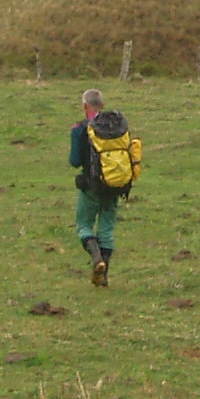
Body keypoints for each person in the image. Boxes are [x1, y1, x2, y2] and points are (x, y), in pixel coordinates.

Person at [68, 89, 141, 287]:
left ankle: (96, 259)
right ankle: (104, 277)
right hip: (115, 184)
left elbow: (74, 161)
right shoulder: (117, 127)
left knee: (84, 225)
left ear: (85, 106)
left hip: (91, 186)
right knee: (106, 230)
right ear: (102, 104)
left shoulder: (80, 129)